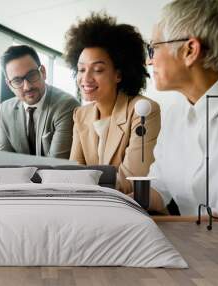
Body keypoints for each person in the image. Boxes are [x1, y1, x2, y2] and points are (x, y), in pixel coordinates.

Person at [147, 0, 218, 216]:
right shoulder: (177, 112)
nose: (149, 61)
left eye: (153, 48)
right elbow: (159, 189)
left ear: (190, 50)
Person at [64, 13, 161, 193]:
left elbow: (132, 179)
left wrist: (81, 186)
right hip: (92, 206)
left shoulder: (143, 111)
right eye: (81, 69)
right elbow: (73, 172)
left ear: (118, 74)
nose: (86, 78)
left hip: (131, 209)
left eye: (98, 69)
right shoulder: (81, 114)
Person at [0, 45, 80, 159]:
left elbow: (57, 166)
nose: (27, 87)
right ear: (9, 85)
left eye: (31, 75)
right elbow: (4, 160)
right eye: (17, 81)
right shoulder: (5, 109)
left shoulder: (66, 106)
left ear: (43, 72)